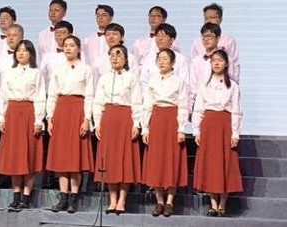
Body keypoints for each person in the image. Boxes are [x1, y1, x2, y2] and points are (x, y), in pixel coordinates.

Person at [46, 35, 94, 213]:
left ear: (78, 48)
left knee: (75, 157)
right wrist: (50, 118)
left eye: (72, 45)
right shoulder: (58, 69)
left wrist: (87, 119)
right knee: (62, 158)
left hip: (77, 110)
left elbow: (89, 95)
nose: (68, 48)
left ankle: (74, 198)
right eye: (65, 45)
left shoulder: (86, 69)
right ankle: (63, 197)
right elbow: (52, 94)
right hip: (61, 110)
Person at [192, 49, 243, 217]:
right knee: (211, 163)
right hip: (209, 125)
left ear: (226, 63)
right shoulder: (204, 85)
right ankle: (213, 204)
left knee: (225, 162)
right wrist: (197, 130)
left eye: (220, 60)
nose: (216, 63)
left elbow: (236, 111)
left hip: (224, 125)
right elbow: (198, 109)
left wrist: (235, 133)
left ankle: (222, 205)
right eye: (213, 60)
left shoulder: (232, 86)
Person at [0, 40, 45, 211]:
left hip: (29, 112)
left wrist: (38, 120)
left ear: (31, 54)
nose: (21, 53)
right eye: (18, 51)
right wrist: (1, 118)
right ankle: (15, 196)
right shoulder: (9, 72)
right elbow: (3, 96)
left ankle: (26, 197)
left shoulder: (36, 73)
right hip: (12, 113)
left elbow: (40, 97)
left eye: (25, 50)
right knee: (14, 156)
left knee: (28, 155)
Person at [92, 44, 141, 215]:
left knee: (124, 159)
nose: (115, 58)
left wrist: (136, 123)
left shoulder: (131, 78)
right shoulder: (104, 78)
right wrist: (97, 123)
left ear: (126, 59)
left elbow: (136, 102)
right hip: (108, 119)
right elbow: (98, 102)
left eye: (119, 55)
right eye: (112, 55)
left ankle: (122, 199)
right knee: (109, 160)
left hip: (125, 118)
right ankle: (112, 199)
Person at [141, 48, 188, 218]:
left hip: (172, 120)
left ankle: (170, 201)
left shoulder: (179, 81)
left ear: (173, 62)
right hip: (157, 119)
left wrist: (181, 128)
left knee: (171, 160)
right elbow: (147, 105)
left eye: (165, 59)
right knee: (157, 160)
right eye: (159, 59)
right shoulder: (153, 80)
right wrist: (145, 128)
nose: (161, 62)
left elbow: (183, 105)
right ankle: (159, 201)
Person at [189, 3, 240, 83]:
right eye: (206, 18)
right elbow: (193, 65)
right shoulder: (197, 42)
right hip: (202, 84)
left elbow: (234, 64)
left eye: (212, 17)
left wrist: (234, 84)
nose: (209, 20)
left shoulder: (229, 41)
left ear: (221, 19)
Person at [138, 23, 190, 94]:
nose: (160, 39)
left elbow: (185, 83)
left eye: (164, 36)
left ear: (172, 40)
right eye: (158, 35)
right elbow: (143, 81)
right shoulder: (149, 58)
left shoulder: (181, 59)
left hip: (173, 98)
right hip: (151, 98)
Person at [132, 6, 179, 74]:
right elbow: (134, 62)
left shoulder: (171, 42)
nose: (153, 18)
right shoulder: (139, 42)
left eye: (157, 16)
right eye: (151, 15)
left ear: (164, 19)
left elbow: (176, 59)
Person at [188, 23, 222, 113]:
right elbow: (192, 85)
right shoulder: (196, 60)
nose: (206, 39)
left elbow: (231, 82)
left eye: (209, 36)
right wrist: (190, 108)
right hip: (200, 103)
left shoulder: (226, 60)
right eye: (203, 36)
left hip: (219, 104)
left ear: (218, 38)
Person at [38, 20, 74, 87]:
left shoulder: (79, 55)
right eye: (56, 33)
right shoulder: (47, 57)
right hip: (51, 91)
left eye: (63, 32)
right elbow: (41, 79)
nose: (59, 35)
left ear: (70, 35)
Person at [82, 4, 114, 70]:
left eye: (104, 15)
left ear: (111, 18)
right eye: (98, 15)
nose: (100, 18)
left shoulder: (116, 38)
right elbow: (85, 59)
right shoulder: (88, 40)